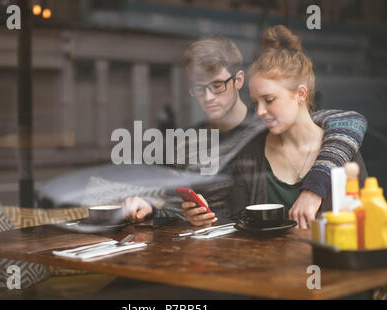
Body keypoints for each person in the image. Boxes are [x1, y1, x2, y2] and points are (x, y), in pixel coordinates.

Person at [122, 33, 368, 229]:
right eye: (198, 89)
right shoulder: (196, 144)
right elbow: (168, 191)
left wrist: (314, 187)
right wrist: (154, 205)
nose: (207, 97)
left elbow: (347, 122)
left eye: (217, 85)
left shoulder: (267, 129)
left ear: (238, 81)